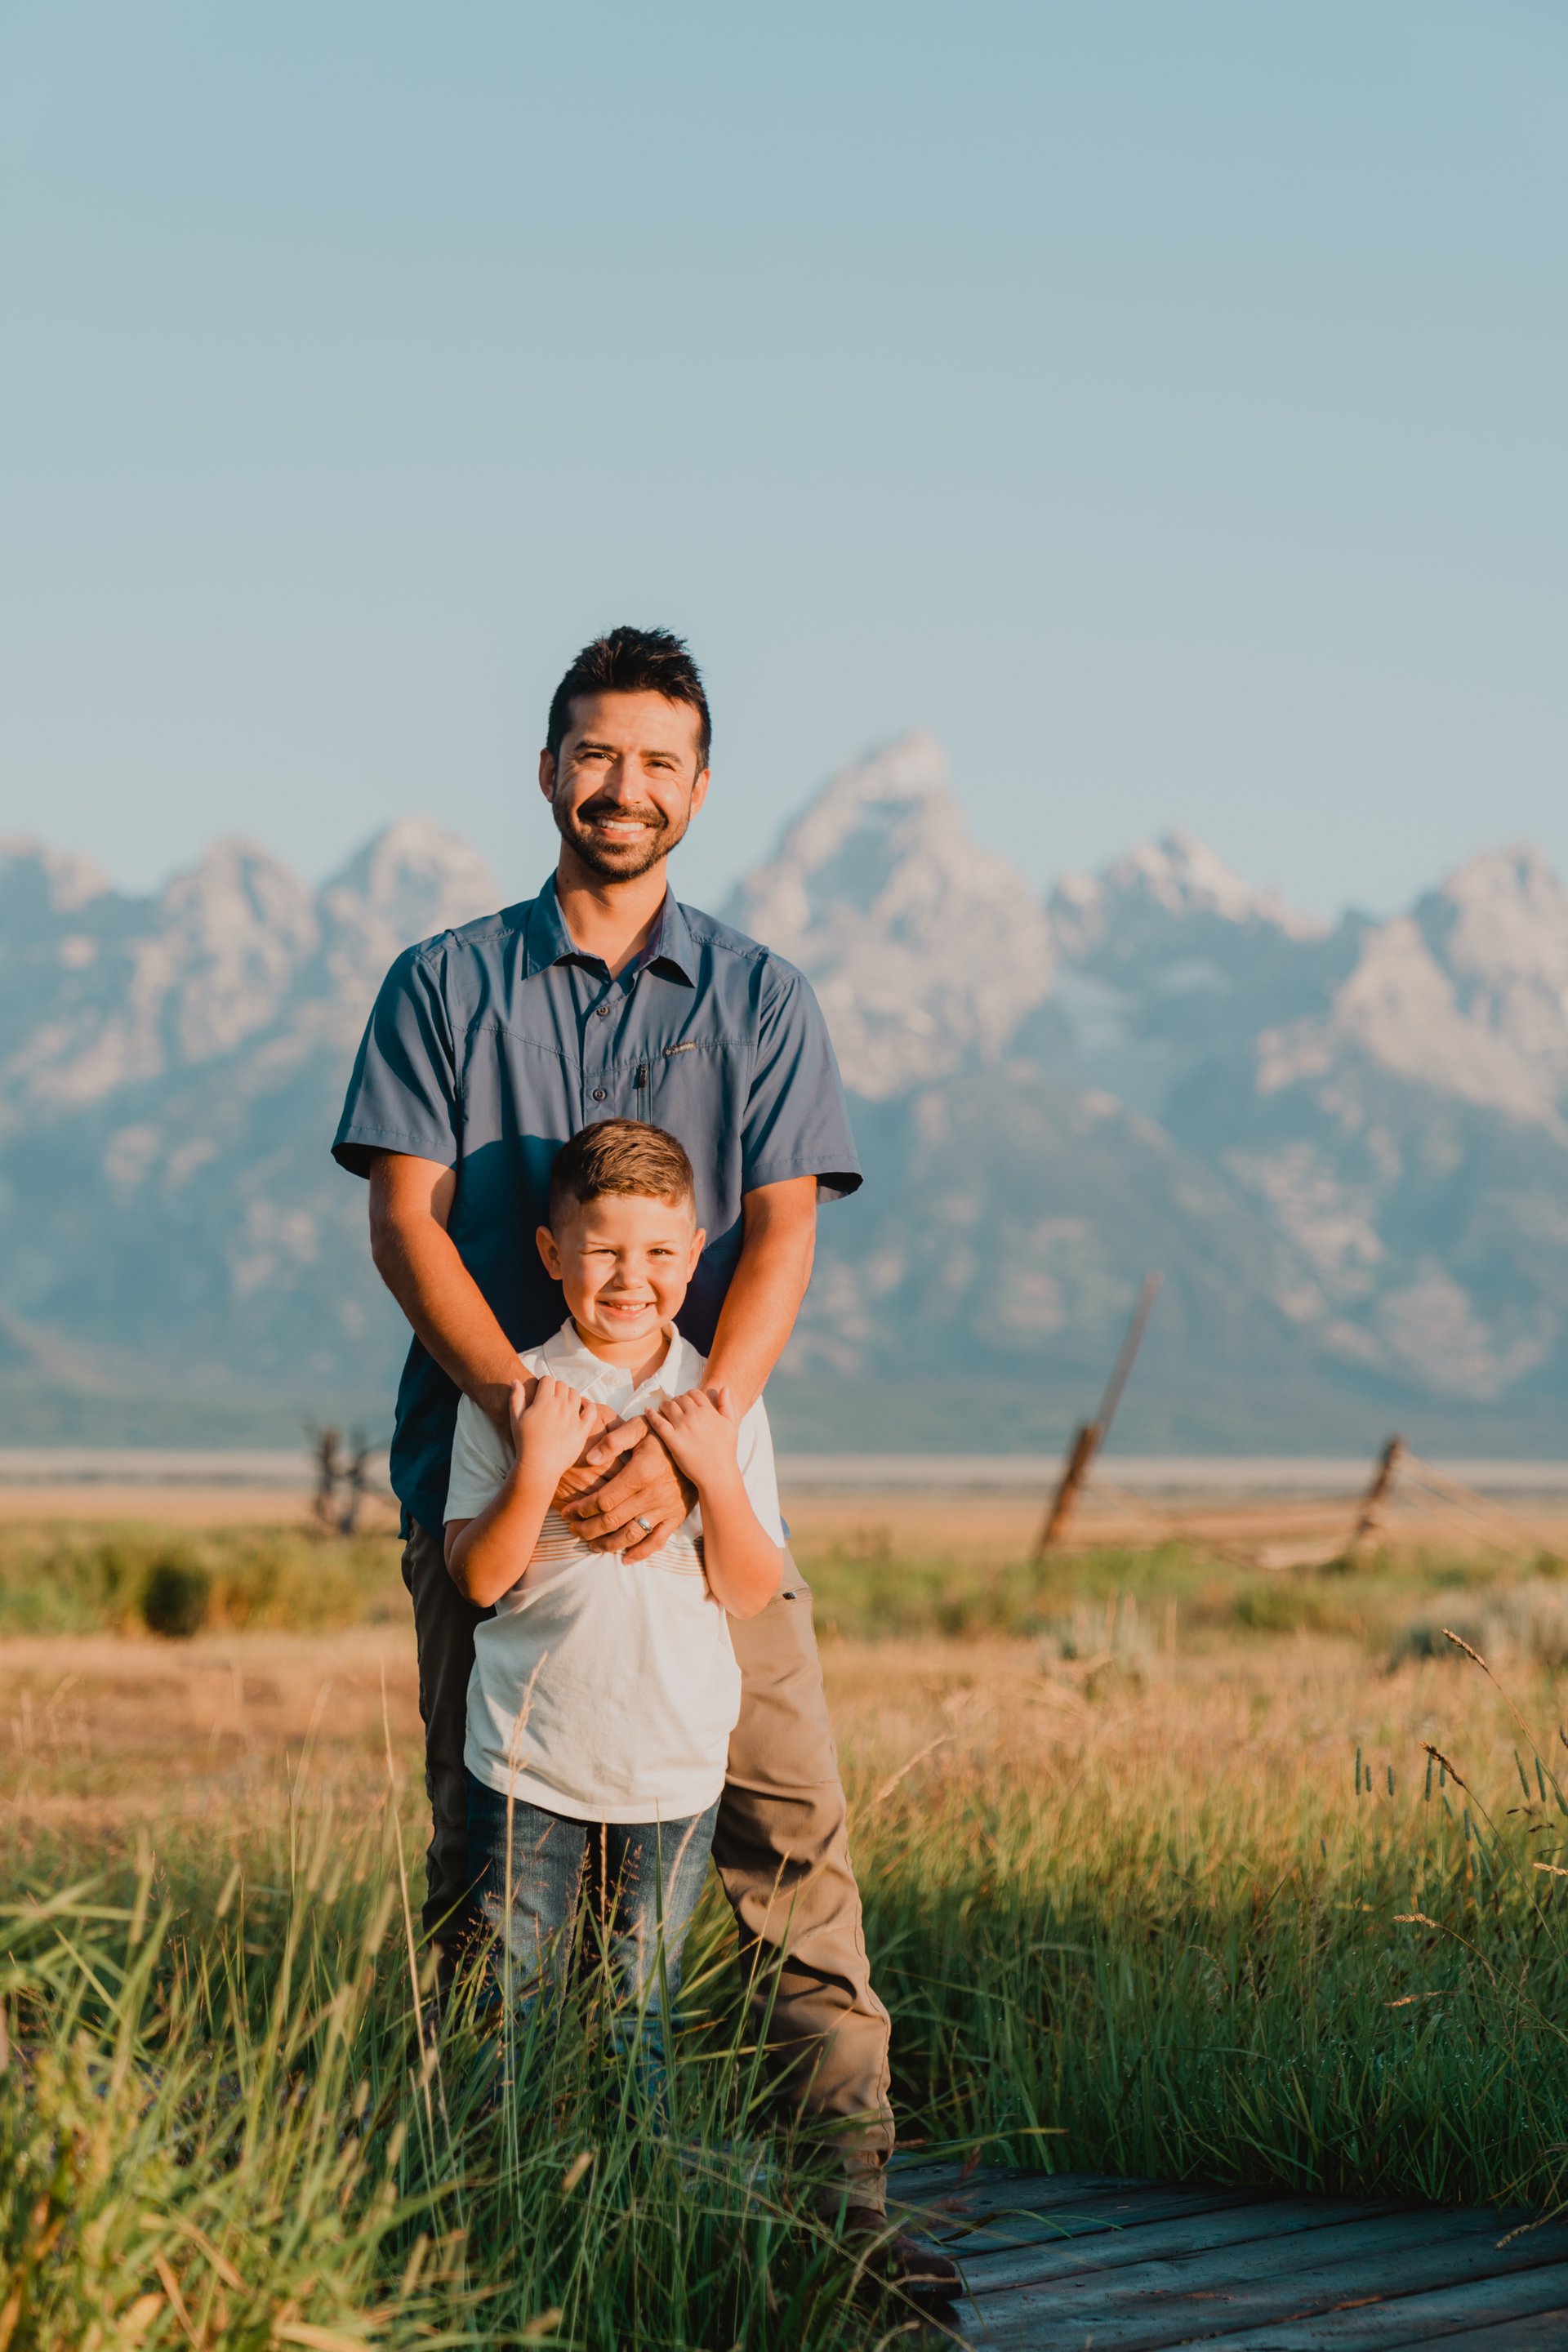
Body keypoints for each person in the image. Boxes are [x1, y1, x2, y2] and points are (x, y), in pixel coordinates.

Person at [332, 624, 959, 2288]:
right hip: (491, 1485)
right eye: (598, 754)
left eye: (659, 761)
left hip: (716, 1495)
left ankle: (848, 2227)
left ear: (702, 788)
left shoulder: (763, 998)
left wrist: (689, 1453)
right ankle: (500, 2230)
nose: (627, 786)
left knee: (790, 1855)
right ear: (548, 771)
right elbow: (406, 1226)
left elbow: (783, 1239)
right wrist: (524, 1425)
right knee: (489, 1869)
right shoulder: (443, 985)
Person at [445, 1119, 783, 2108]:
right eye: (603, 1252)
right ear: (553, 1254)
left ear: (696, 1255)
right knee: (506, 2011)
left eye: (660, 1254)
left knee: (639, 2020)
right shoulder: (515, 1394)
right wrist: (537, 1466)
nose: (632, 1279)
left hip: (672, 1767)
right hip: (527, 1761)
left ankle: (638, 2189)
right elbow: (478, 1580)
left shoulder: (721, 1402)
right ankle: (502, 2188)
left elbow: (751, 1589)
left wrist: (716, 1475)